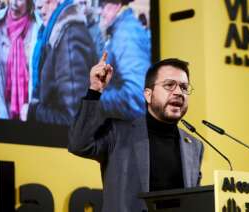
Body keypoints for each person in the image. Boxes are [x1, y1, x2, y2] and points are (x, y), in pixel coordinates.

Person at [68, 57, 204, 212]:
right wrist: (94, 90)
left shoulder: (194, 146)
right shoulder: (117, 132)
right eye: (169, 85)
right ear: (148, 95)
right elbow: (79, 145)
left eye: (184, 87)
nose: (179, 92)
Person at [26, 0, 97, 125]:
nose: (39, 6)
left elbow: (76, 120)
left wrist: (34, 111)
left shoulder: (70, 36)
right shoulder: (51, 32)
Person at [97, 0, 151, 120]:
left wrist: (94, 99)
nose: (100, 11)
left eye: (103, 5)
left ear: (117, 5)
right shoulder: (121, 29)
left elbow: (136, 97)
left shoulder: (126, 33)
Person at [0, 0, 41, 120]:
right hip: (2, 107)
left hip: (29, 109)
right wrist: (1, 113)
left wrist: (31, 111)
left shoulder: (38, 27)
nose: (14, 2)